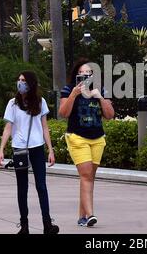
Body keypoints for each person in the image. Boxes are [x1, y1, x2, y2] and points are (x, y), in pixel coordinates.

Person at [0, 71, 59, 234]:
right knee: (22, 188)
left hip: (37, 147)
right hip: (20, 149)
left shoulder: (40, 102)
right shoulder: (12, 103)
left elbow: (45, 127)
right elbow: (8, 127)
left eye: (23, 80)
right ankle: (24, 225)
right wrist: (1, 149)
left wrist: (50, 150)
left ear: (31, 83)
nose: (20, 83)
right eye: (18, 80)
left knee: (41, 186)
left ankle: (47, 224)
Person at [59, 58, 114, 227]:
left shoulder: (100, 90)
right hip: (77, 137)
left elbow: (110, 115)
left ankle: (82, 216)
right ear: (76, 75)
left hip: (97, 138)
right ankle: (90, 214)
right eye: (81, 73)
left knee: (90, 177)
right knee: (86, 175)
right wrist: (74, 95)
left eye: (88, 73)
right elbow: (63, 113)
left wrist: (100, 97)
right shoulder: (68, 90)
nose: (85, 76)